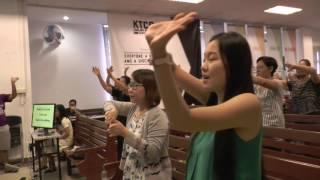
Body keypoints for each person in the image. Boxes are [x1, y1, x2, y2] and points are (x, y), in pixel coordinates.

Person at [145, 12, 262, 179]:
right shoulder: (215, 99)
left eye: (212, 59)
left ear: (234, 64)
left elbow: (182, 119)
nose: (203, 67)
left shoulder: (249, 104)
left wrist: (159, 57)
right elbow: (173, 69)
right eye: (204, 59)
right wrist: (158, 49)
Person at [104, 69, 171, 179]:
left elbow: (153, 153)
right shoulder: (134, 108)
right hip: (131, 171)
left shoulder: (158, 116)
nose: (130, 89)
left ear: (150, 88)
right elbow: (108, 103)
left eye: (135, 86)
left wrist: (124, 132)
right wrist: (112, 111)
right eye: (130, 85)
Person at [92, 66, 130, 160]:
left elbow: (124, 87)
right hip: (120, 122)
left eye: (121, 81)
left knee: (128, 147)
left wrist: (111, 75)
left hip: (128, 123)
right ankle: (121, 167)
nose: (118, 82)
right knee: (121, 147)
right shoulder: (118, 92)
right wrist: (99, 76)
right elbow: (105, 87)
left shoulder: (129, 93)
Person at [253, 56, 285, 127]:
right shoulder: (255, 86)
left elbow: (264, 82)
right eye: (257, 68)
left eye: (260, 67)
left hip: (275, 125)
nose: (257, 70)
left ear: (270, 68)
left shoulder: (277, 83)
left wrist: (246, 76)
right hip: (259, 124)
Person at [44, 104, 73, 173]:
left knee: (48, 147)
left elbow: (67, 133)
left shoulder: (64, 120)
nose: (55, 113)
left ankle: (51, 166)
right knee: (48, 144)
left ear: (61, 112)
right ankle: (51, 165)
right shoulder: (61, 120)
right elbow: (62, 131)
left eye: (56, 111)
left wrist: (58, 137)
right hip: (64, 139)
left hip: (67, 142)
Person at [0, 77, 19, 173]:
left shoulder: (1, 97)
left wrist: (13, 83)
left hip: (3, 127)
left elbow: (14, 95)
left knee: (4, 148)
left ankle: (6, 166)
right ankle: (5, 165)